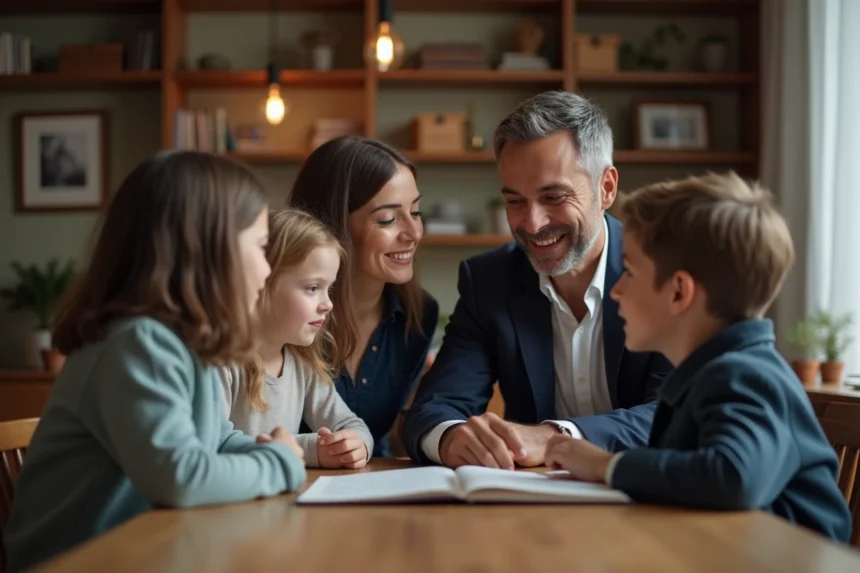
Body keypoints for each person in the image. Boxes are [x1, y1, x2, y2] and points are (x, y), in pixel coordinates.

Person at [3, 151, 307, 573]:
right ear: (207, 253)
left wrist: (280, 452)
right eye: (260, 247)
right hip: (78, 562)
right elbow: (179, 477)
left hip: (147, 552)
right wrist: (278, 464)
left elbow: (216, 439)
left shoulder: (185, 346)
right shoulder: (137, 344)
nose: (267, 267)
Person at [544, 172, 852, 542]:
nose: (616, 291)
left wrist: (605, 465)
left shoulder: (745, 376)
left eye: (629, 272)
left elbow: (732, 479)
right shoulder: (711, 373)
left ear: (679, 292)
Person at [402, 90, 672, 469]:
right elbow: (437, 406)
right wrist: (450, 438)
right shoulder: (488, 281)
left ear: (606, 187)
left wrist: (556, 439)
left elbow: (672, 414)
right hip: (532, 507)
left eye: (554, 197)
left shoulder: (663, 271)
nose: (532, 224)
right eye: (515, 201)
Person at [288, 136, 439, 458]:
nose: (413, 233)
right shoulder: (285, 313)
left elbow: (385, 439)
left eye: (415, 211)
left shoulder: (419, 315)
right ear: (332, 225)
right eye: (388, 219)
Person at [221, 208, 374, 468]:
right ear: (261, 283)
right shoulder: (224, 362)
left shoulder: (303, 364)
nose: (327, 304)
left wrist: (356, 443)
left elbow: (350, 424)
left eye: (329, 289)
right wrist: (311, 450)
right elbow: (216, 442)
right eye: (312, 288)